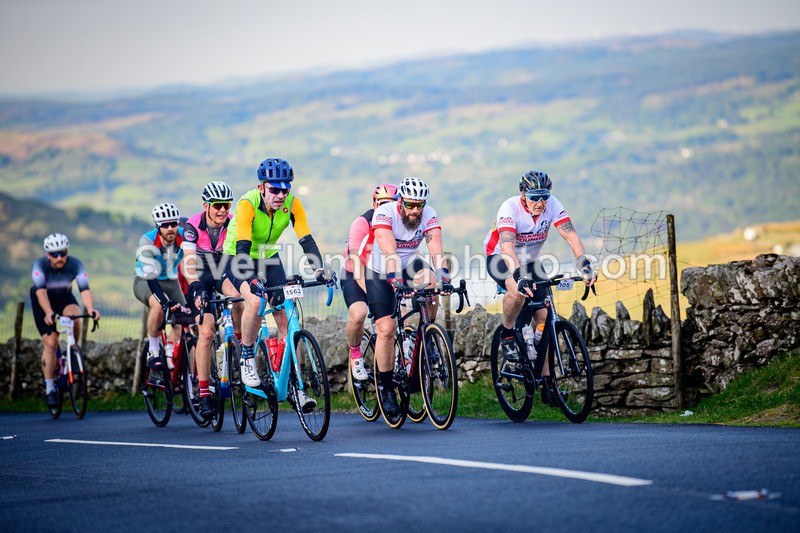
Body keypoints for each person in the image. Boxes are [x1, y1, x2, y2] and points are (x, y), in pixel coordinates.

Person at [222, 157, 328, 412]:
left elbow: (306, 239)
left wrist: (320, 269)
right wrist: (252, 279)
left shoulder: (292, 203)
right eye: (275, 189)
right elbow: (244, 246)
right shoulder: (248, 203)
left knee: (286, 317)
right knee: (256, 301)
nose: (281, 194)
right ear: (262, 188)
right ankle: (247, 358)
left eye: (286, 188)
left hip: (269, 257)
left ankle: (295, 387)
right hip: (238, 256)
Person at [483, 169, 596, 405]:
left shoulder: (552, 205)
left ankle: (547, 384)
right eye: (534, 197)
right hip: (501, 258)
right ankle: (507, 333)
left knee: (546, 320)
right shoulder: (509, 208)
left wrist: (584, 265)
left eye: (544, 196)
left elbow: (572, 237)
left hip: (531, 262)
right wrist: (517, 276)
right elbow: (507, 248)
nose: (540, 202)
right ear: (523, 195)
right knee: (516, 291)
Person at [366, 176, 453, 416]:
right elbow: (388, 249)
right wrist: (395, 279)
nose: (415, 210)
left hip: (409, 264)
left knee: (433, 282)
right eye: (410, 205)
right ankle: (385, 388)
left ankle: (428, 332)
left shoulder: (428, 214)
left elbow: (436, 249)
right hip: (381, 271)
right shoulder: (384, 213)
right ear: (400, 201)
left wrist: (445, 277)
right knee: (386, 329)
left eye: (419, 205)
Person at [183, 181, 242, 418]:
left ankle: (237, 346)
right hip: (198, 277)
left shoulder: (232, 223)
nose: (222, 210)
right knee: (206, 332)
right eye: (217, 205)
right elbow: (188, 262)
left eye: (226, 205)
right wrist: (196, 287)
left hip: (221, 273)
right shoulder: (193, 226)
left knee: (237, 298)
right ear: (206, 205)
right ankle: (204, 393)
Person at [31, 233, 101, 408]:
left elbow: (84, 289)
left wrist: (91, 309)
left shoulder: (76, 264)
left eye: (62, 253)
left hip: (64, 297)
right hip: (43, 300)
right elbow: (40, 292)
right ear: (48, 255)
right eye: (55, 254)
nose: (59, 257)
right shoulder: (39, 266)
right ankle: (50, 389)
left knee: (75, 316)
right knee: (51, 342)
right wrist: (48, 313)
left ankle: (73, 350)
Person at [341, 183, 398, 381]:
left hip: (381, 273)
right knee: (360, 313)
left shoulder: (396, 224)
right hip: (355, 273)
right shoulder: (362, 224)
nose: (385, 209)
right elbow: (357, 268)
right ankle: (355, 352)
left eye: (391, 204)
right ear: (374, 204)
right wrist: (373, 298)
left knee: (402, 312)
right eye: (382, 204)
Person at [134, 202, 189, 370]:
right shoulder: (148, 240)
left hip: (170, 281)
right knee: (158, 306)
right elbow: (151, 278)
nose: (170, 228)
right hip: (145, 280)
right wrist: (166, 303)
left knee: (184, 317)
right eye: (165, 225)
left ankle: (171, 352)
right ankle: (154, 349)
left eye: (174, 223)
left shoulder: (184, 235)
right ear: (158, 227)